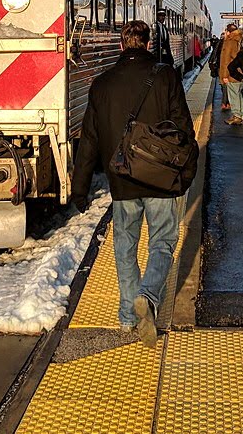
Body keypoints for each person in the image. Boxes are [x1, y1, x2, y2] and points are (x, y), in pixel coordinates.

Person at [71, 19, 197, 348]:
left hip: (121, 178)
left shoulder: (101, 83)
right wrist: (185, 167)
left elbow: (89, 140)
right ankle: (148, 295)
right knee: (163, 243)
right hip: (158, 176)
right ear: (147, 43)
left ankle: (128, 317)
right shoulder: (166, 75)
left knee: (124, 247)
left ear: (122, 44)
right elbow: (183, 126)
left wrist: (79, 187)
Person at [218, 23, 243, 124]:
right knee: (239, 96)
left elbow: (227, 61)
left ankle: (237, 116)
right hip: (240, 73)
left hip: (232, 74)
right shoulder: (240, 39)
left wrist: (225, 75)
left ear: (228, 32)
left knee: (234, 96)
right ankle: (242, 116)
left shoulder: (230, 41)